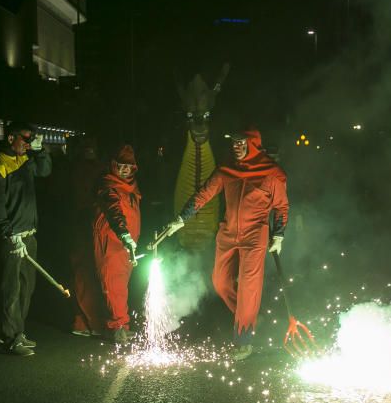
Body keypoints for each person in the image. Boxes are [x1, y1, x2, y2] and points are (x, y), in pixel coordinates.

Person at [161, 128, 288, 360]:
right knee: (220, 282)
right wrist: (182, 219)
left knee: (249, 287)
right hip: (228, 233)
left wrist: (278, 235)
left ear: (253, 145)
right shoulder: (227, 170)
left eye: (241, 143)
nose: (236, 147)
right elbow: (204, 194)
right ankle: (247, 317)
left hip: (255, 236)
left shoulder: (272, 174)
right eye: (234, 143)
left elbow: (281, 207)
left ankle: (243, 340)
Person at [0, 122, 51, 357]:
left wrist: (41, 152)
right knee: (10, 289)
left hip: (29, 235)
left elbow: (45, 171)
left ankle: (18, 332)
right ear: (10, 137)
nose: (28, 143)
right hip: (11, 238)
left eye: (31, 139)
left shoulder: (24, 159)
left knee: (26, 288)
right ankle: (10, 337)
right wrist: (9, 234)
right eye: (25, 139)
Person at [92, 145, 141, 344]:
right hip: (111, 242)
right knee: (112, 285)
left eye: (128, 166)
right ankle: (117, 327)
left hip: (127, 245)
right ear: (114, 166)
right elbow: (114, 210)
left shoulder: (132, 186)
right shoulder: (108, 185)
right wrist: (124, 234)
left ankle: (123, 324)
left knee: (121, 286)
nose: (124, 170)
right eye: (120, 166)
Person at [68, 136, 106, 336]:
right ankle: (89, 323)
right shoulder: (92, 170)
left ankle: (84, 322)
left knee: (85, 274)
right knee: (86, 274)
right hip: (85, 223)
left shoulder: (77, 169)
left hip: (85, 222)